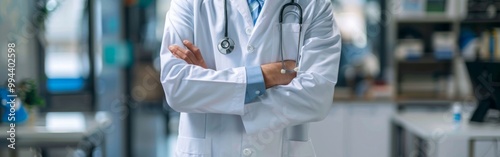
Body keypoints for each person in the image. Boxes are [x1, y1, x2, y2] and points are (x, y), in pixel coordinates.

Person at [160, 0, 341, 156]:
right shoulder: (189, 2)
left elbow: (316, 97)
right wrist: (265, 76)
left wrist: (209, 86)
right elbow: (177, 87)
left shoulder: (314, 4)